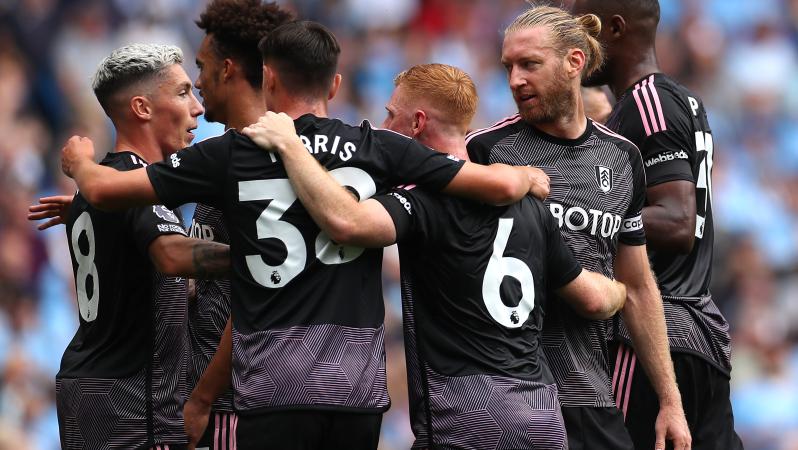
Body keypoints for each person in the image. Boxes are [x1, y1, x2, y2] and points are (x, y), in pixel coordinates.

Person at [57, 21, 548, 450]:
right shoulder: (378, 146)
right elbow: (497, 183)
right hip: (356, 388)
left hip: (274, 385)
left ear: (268, 79)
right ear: (335, 84)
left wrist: (79, 162)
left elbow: (103, 190)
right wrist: (526, 178)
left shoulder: (232, 152)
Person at [240, 63, 628, 450]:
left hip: (464, 417)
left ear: (417, 123)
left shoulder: (421, 200)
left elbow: (347, 222)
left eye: (391, 114)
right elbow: (594, 298)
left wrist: (290, 146)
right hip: (540, 415)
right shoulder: (530, 206)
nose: (383, 125)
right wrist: (623, 290)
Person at [465, 6, 691, 450]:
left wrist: (671, 402)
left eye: (530, 64)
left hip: (589, 393)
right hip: (510, 395)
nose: (514, 80)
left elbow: (639, 286)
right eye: (508, 67)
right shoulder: (487, 151)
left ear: (575, 62)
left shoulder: (623, 158)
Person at [571, 0, 743, 448]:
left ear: (615, 29)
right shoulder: (679, 98)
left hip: (655, 336)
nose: (574, 44)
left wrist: (579, 222)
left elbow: (678, 221)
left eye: (582, 28)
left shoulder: (648, 104)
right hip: (701, 335)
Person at [53, 43, 230, 450]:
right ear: (142, 108)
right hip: (132, 402)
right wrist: (261, 257)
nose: (198, 109)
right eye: (184, 92)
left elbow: (135, 282)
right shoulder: (132, 183)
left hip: (91, 389)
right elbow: (171, 256)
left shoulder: (102, 190)